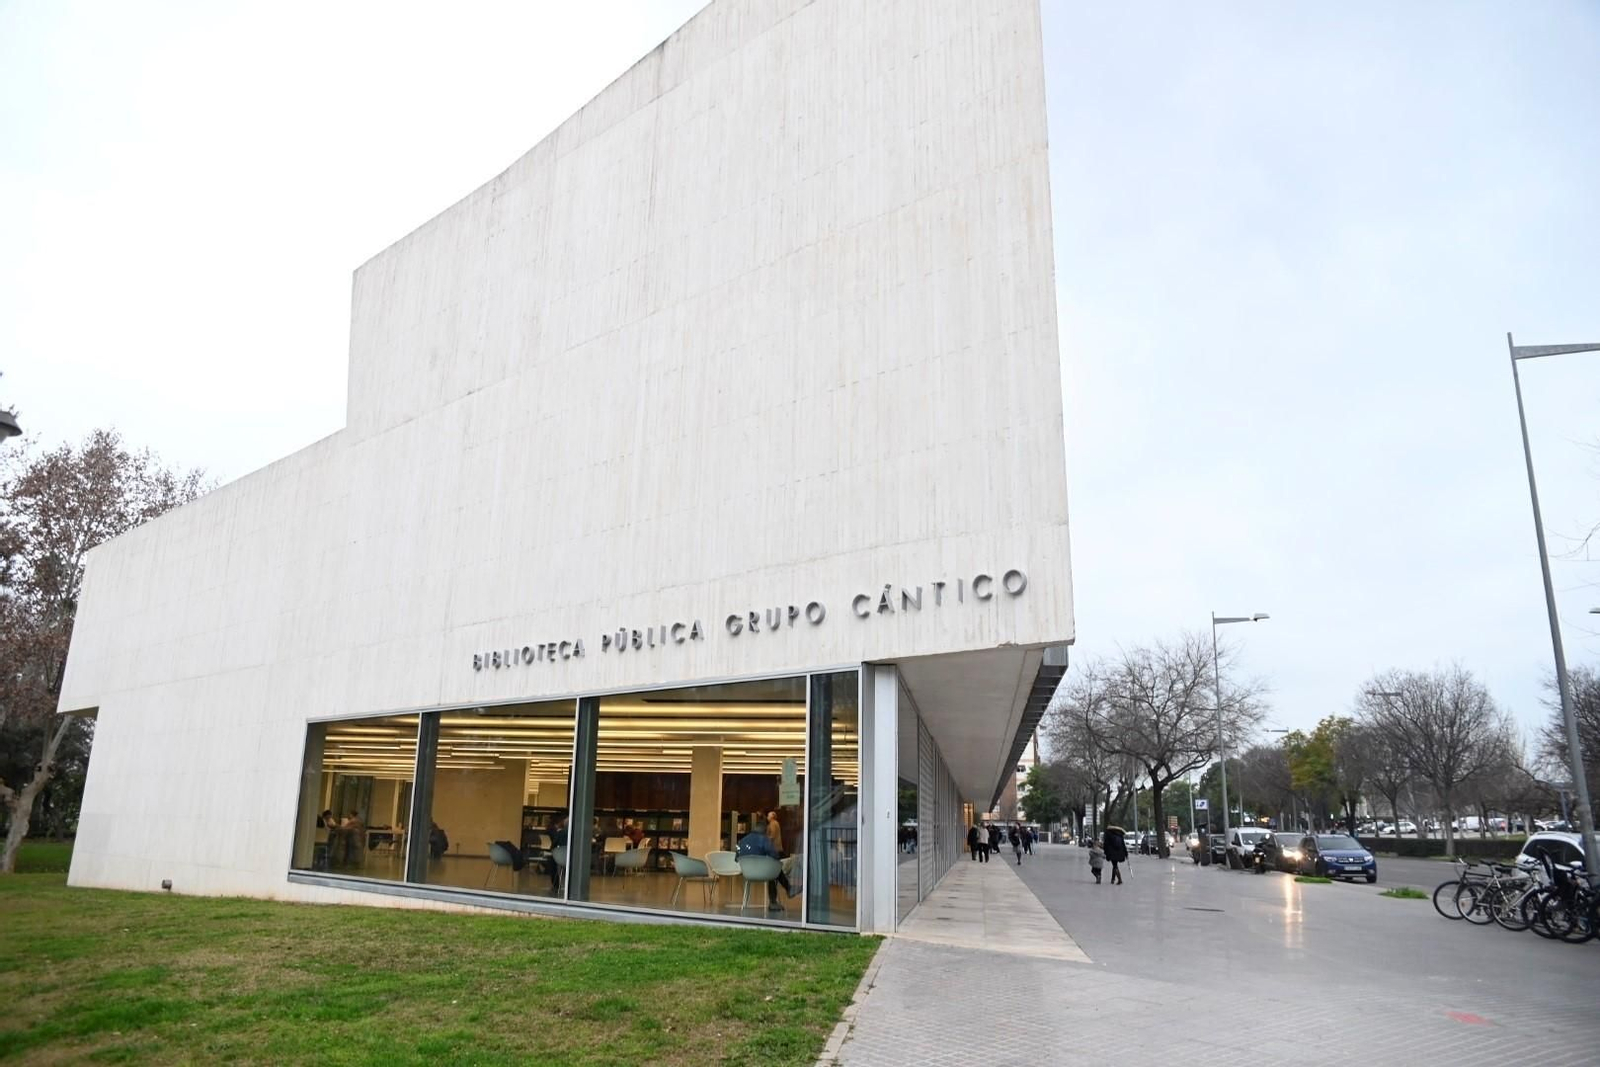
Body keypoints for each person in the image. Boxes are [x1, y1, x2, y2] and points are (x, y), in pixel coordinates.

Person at [735, 819, 794, 911]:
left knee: (772, 868)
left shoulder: (742, 841)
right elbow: (775, 856)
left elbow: (736, 858)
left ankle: (789, 889)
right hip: (764, 872)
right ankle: (775, 901)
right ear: (765, 830)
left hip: (748, 873)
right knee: (774, 869)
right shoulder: (764, 840)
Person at [547, 816, 568, 893]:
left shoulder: (560, 833)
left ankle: (556, 884)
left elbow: (553, 845)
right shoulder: (577, 834)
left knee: (552, 860)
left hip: (560, 858)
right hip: (572, 859)